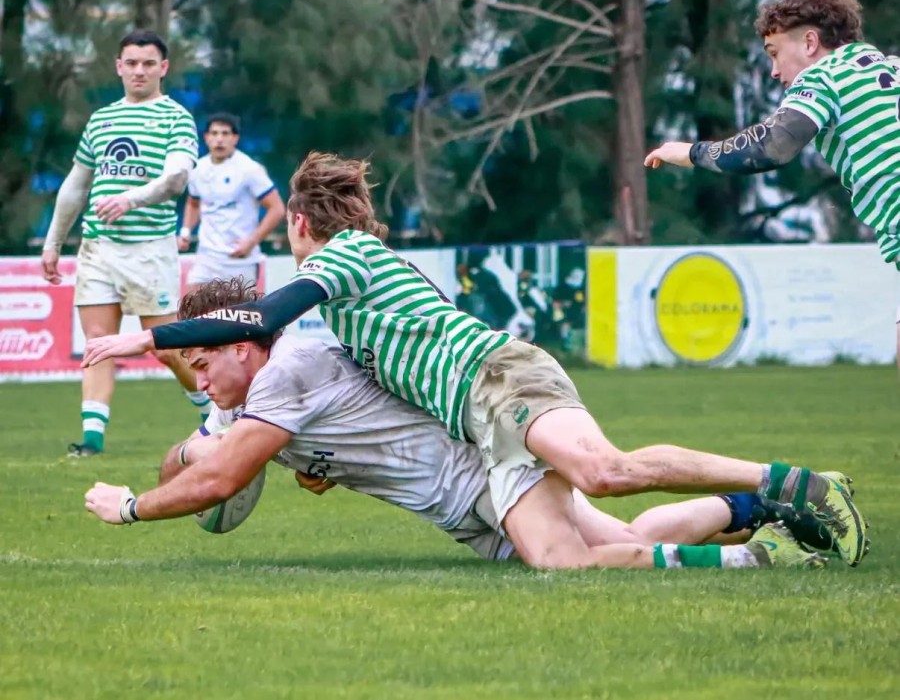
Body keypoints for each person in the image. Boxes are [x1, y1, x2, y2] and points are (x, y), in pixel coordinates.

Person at [81, 152, 870, 566]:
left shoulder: (343, 259)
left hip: (496, 381)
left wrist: (148, 338)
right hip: (478, 422)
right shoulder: (340, 314)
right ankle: (758, 520)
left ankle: (796, 484)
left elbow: (267, 316)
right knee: (599, 542)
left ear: (298, 224)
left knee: (605, 471)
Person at [84, 279, 832, 570]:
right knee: (633, 543)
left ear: (245, 346)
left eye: (206, 360)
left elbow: (218, 483)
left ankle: (764, 555)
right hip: (465, 503)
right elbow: (203, 477)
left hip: (480, 473)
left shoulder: (290, 369)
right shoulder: (248, 400)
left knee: (579, 563)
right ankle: (754, 507)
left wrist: (126, 507)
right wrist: (188, 446)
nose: (200, 375)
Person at [643, 0, 900, 370]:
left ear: (810, 43)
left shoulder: (823, 76)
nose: (774, 71)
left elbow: (771, 147)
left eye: (775, 52)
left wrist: (691, 153)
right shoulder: (889, 67)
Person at [40, 29, 212, 457]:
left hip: (149, 248)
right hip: (98, 249)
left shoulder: (175, 117)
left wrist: (130, 199)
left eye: (148, 63)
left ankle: (214, 411)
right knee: (98, 341)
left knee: (167, 349)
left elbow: (176, 177)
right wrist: (53, 242)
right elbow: (76, 185)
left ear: (163, 68)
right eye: (131, 63)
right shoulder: (101, 119)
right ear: (118, 66)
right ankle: (92, 441)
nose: (139, 70)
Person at [178, 113, 285, 292]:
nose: (219, 139)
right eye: (214, 133)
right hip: (206, 258)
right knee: (189, 313)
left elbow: (277, 209)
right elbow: (193, 203)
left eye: (225, 134)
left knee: (239, 319)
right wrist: (186, 231)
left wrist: (251, 242)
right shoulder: (198, 169)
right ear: (206, 137)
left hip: (239, 261)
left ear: (235, 138)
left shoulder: (249, 169)